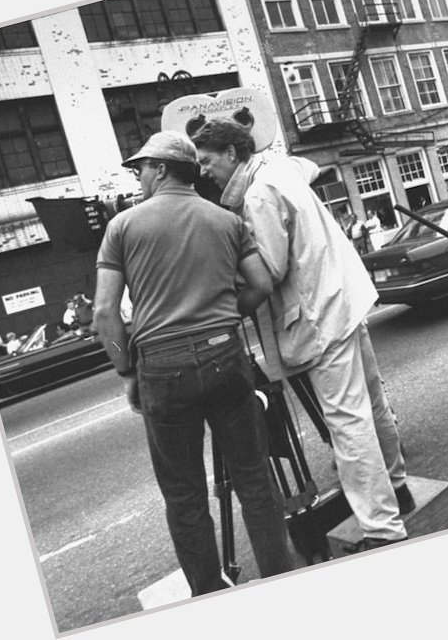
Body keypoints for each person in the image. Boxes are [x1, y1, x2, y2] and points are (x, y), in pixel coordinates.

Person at [191, 118, 412, 553]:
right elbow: (308, 167)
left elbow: (267, 272)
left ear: (232, 154)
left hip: (318, 317)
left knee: (347, 424)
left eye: (207, 160)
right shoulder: (280, 170)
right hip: (344, 301)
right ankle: (398, 486)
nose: (203, 171)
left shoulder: (258, 195)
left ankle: (382, 529)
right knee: (372, 404)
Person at [92, 131, 296, 596]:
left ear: (161, 168)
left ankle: (209, 594)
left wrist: (127, 371)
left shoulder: (122, 227)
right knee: (254, 479)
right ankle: (282, 582)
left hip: (162, 367)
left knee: (184, 495)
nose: (137, 177)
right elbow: (261, 283)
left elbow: (105, 312)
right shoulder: (225, 220)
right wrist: (225, 317)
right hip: (225, 355)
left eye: (139, 168)